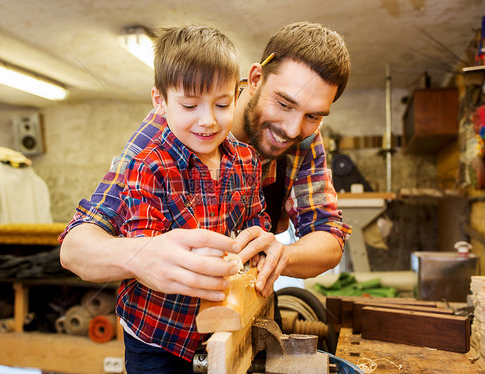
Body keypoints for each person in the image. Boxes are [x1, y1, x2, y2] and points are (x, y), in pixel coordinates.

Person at [60, 20, 351, 317]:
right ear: (254, 79)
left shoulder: (305, 138)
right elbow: (75, 248)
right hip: (171, 328)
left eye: (313, 116)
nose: (292, 129)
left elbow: (329, 237)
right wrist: (140, 256)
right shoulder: (168, 132)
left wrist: (284, 254)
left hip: (249, 311)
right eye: (284, 104)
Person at [109, 26, 270, 371]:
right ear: (160, 102)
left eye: (222, 104)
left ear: (237, 96)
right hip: (156, 334)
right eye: (190, 105)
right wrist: (201, 255)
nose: (208, 120)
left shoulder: (246, 160)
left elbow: (257, 219)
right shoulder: (147, 165)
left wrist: (256, 241)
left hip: (221, 325)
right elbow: (144, 250)